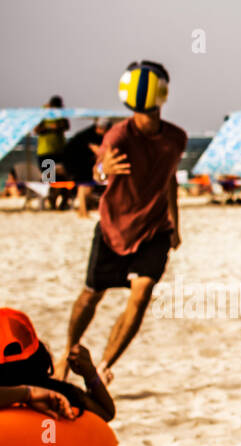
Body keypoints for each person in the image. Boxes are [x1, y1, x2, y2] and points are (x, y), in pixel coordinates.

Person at [58, 61, 185, 382]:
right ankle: (68, 352)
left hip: (155, 229)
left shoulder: (176, 138)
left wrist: (176, 225)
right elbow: (100, 169)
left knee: (141, 294)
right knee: (91, 295)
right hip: (114, 227)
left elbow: (169, 178)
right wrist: (103, 171)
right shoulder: (118, 136)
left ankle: (103, 368)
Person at [2, 309, 115, 421]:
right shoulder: (57, 397)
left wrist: (27, 394)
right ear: (40, 354)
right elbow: (105, 413)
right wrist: (90, 374)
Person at [62, 117, 111, 218]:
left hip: (71, 159)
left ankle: (81, 211)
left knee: (85, 185)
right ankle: (82, 211)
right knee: (84, 185)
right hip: (74, 161)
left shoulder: (89, 134)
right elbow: (99, 152)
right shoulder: (90, 135)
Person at [34, 96, 69, 183]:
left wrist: (58, 127)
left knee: (61, 178)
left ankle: (59, 195)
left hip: (60, 151)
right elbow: (36, 129)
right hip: (46, 151)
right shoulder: (43, 112)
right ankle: (49, 195)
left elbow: (67, 126)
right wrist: (50, 127)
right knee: (49, 178)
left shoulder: (61, 112)